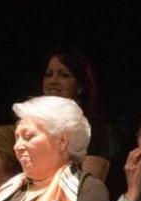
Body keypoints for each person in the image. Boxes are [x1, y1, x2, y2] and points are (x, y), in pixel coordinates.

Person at [42, 49, 116, 183]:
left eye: (64, 75)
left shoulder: (94, 127)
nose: (53, 81)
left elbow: (90, 186)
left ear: (80, 85)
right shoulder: (32, 121)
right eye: (48, 74)